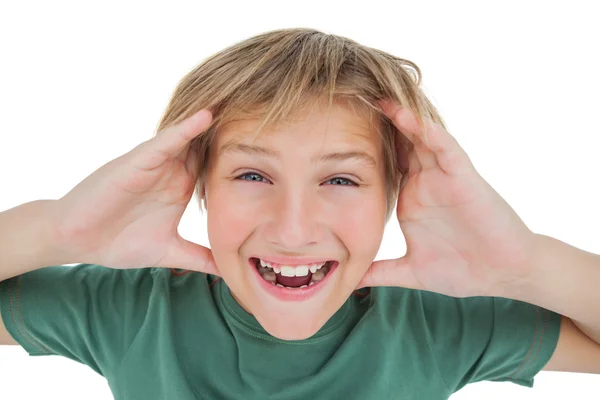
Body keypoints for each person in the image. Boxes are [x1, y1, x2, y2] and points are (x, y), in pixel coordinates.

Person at [0, 27, 599, 399]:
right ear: (196, 185)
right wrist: (57, 229)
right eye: (253, 175)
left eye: (340, 178)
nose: (293, 229)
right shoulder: (131, 309)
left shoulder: (435, 322)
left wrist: (526, 265)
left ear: (396, 192)